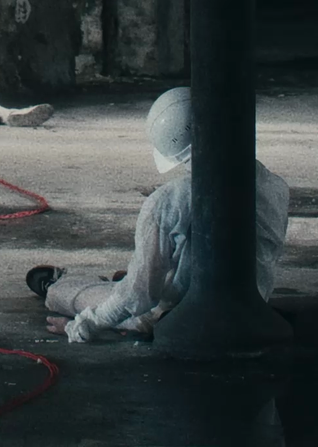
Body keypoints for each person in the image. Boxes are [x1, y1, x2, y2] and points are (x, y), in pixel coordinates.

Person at [27, 87, 290, 343]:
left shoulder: (168, 201)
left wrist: (84, 325)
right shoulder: (275, 186)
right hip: (255, 307)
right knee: (153, 273)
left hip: (179, 316)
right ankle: (148, 276)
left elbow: (138, 297)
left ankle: (57, 284)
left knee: (71, 295)